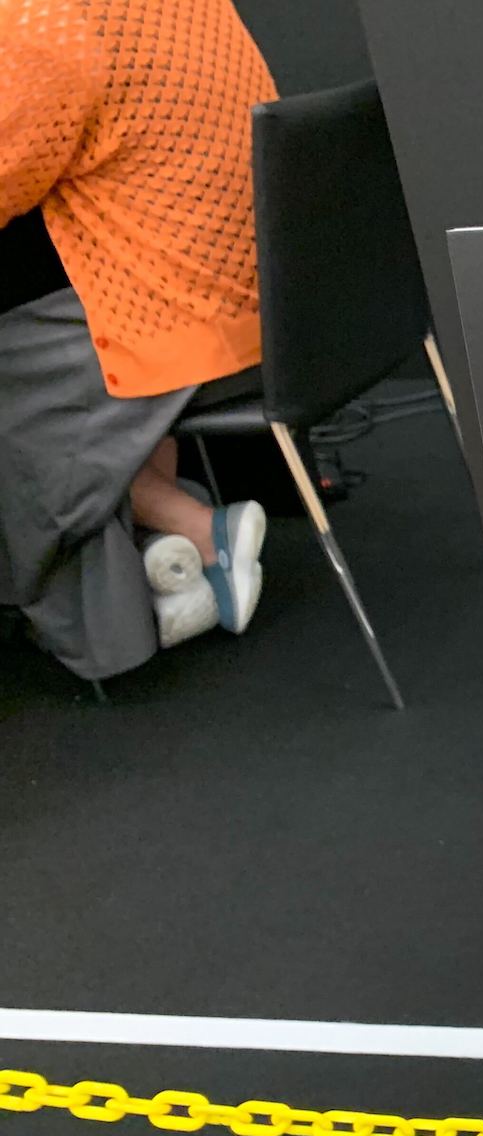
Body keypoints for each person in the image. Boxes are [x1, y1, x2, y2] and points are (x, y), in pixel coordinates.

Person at [0, 0, 277, 680]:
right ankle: (165, 545)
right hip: (263, 294)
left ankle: (193, 533)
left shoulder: (44, 23)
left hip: (169, 317)